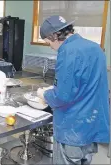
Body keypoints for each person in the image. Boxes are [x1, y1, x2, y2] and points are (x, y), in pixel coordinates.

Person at [37, 15, 110, 164]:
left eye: (48, 42)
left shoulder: (68, 52)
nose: (50, 46)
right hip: (91, 125)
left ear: (55, 35)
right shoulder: (95, 47)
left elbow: (62, 96)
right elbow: (88, 84)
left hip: (72, 129)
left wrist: (44, 94)